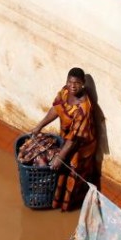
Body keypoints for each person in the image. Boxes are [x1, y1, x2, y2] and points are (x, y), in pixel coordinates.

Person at [24, 67, 97, 210]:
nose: (73, 86)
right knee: (61, 170)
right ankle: (56, 201)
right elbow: (56, 109)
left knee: (73, 174)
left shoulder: (83, 109)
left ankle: (70, 205)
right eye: (70, 82)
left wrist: (61, 157)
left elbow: (74, 139)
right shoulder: (65, 92)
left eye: (77, 83)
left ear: (83, 84)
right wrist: (39, 126)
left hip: (81, 145)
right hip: (67, 139)